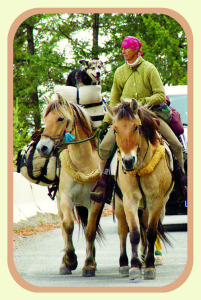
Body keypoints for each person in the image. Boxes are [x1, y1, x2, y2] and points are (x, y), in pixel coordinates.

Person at [90, 36, 184, 201]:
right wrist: (105, 123)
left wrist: (143, 103)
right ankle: (105, 183)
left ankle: (181, 182)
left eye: (126, 48)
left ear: (135, 50)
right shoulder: (119, 72)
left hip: (150, 114)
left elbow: (160, 94)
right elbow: (113, 101)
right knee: (104, 147)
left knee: (175, 144)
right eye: (122, 49)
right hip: (125, 118)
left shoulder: (149, 68)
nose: (123, 51)